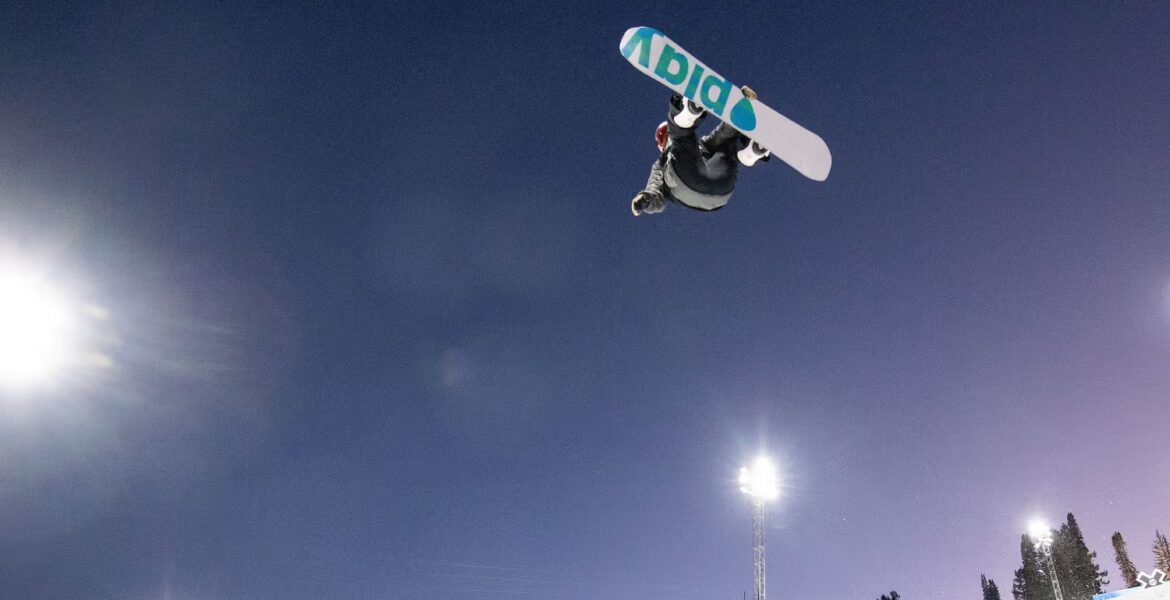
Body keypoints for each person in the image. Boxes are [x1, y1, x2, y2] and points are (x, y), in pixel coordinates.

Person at [630, 88, 770, 216]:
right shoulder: (662, 162)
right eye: (665, 135)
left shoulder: (702, 146)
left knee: (725, 146)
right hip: (687, 185)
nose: (668, 136)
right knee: (682, 138)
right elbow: (655, 190)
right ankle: (686, 115)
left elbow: (721, 134)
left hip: (720, 194)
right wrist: (646, 200)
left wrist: (741, 110)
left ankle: (748, 153)